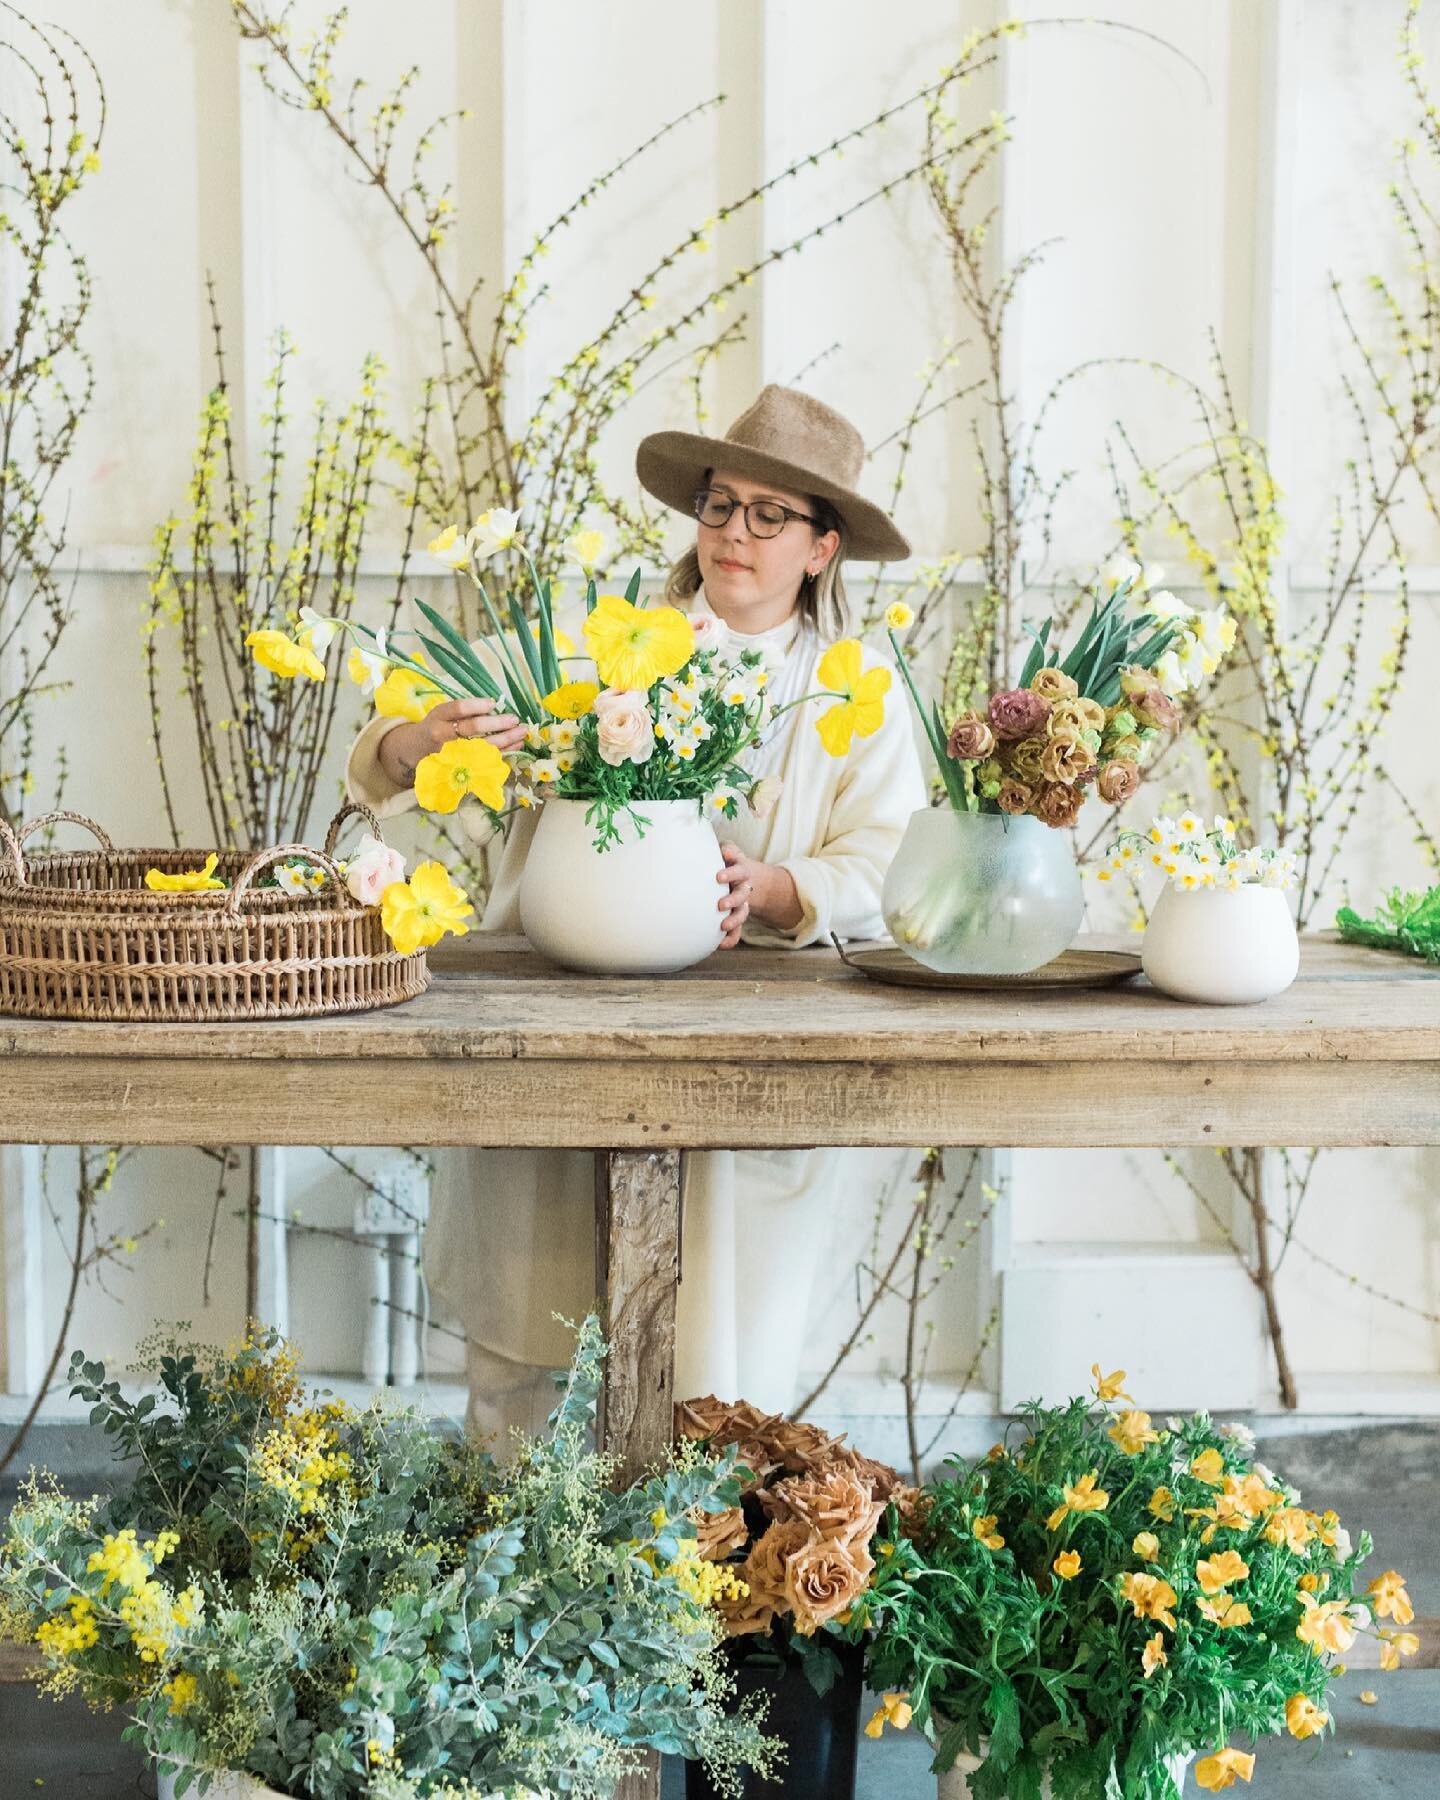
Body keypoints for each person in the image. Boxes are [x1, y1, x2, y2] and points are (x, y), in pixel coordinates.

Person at [346, 384, 927, 1434]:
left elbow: (890, 862)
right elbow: (388, 756)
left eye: (769, 516)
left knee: (719, 1371)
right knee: (532, 1346)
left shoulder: (853, 693)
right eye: (719, 505)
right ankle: (518, 1573)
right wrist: (419, 741)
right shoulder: (606, 653)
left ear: (822, 548)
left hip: (752, 1051)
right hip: (560, 1017)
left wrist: (779, 888)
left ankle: (695, 1581)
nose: (733, 535)